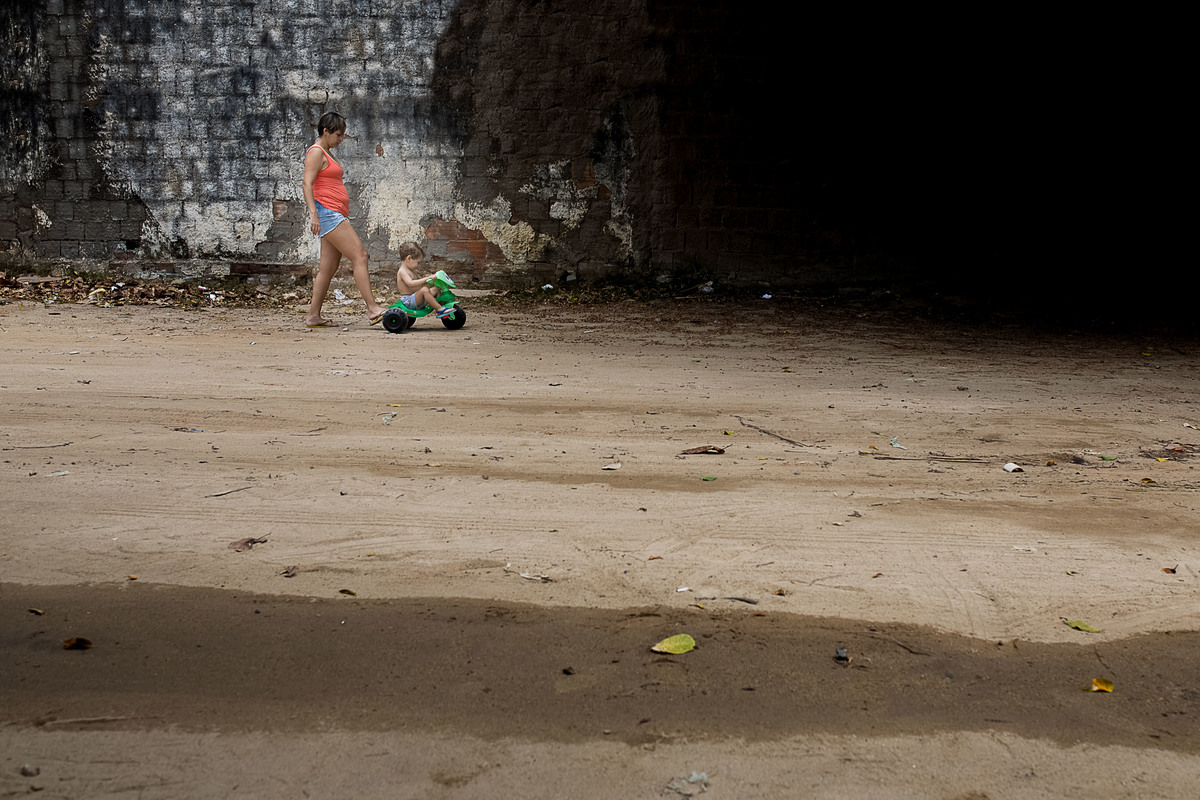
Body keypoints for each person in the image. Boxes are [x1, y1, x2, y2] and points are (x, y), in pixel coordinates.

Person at [301, 111, 387, 328]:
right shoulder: (316, 152)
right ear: (325, 131)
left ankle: (313, 316)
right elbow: (306, 184)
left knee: (327, 268)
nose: (341, 139)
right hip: (328, 213)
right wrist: (314, 214)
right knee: (360, 255)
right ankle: (372, 309)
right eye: (338, 135)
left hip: (334, 212)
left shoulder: (327, 153)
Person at [393, 241, 454, 319]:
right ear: (409, 258)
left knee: (435, 289)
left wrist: (432, 281)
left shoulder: (411, 270)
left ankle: (442, 306)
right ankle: (439, 309)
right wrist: (427, 278)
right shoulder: (402, 271)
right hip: (408, 301)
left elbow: (420, 282)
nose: (418, 265)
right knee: (425, 290)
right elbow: (410, 283)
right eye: (418, 262)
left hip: (415, 297)